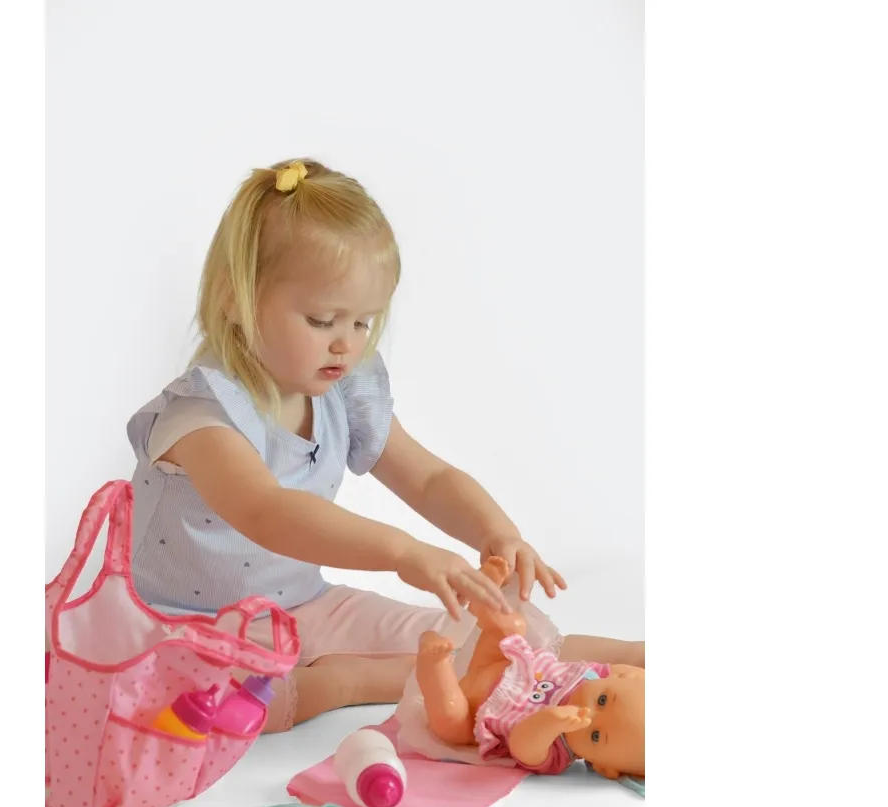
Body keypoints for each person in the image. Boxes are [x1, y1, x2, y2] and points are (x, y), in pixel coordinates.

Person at [126, 158, 644, 733]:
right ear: (236, 299)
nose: (346, 345)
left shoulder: (342, 388)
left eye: (363, 324)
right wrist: (402, 553)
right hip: (186, 625)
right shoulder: (202, 414)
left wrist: (496, 532)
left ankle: (635, 656)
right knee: (201, 708)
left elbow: (427, 477)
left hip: (306, 608)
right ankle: (342, 683)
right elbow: (266, 512)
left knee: (497, 637)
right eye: (323, 320)